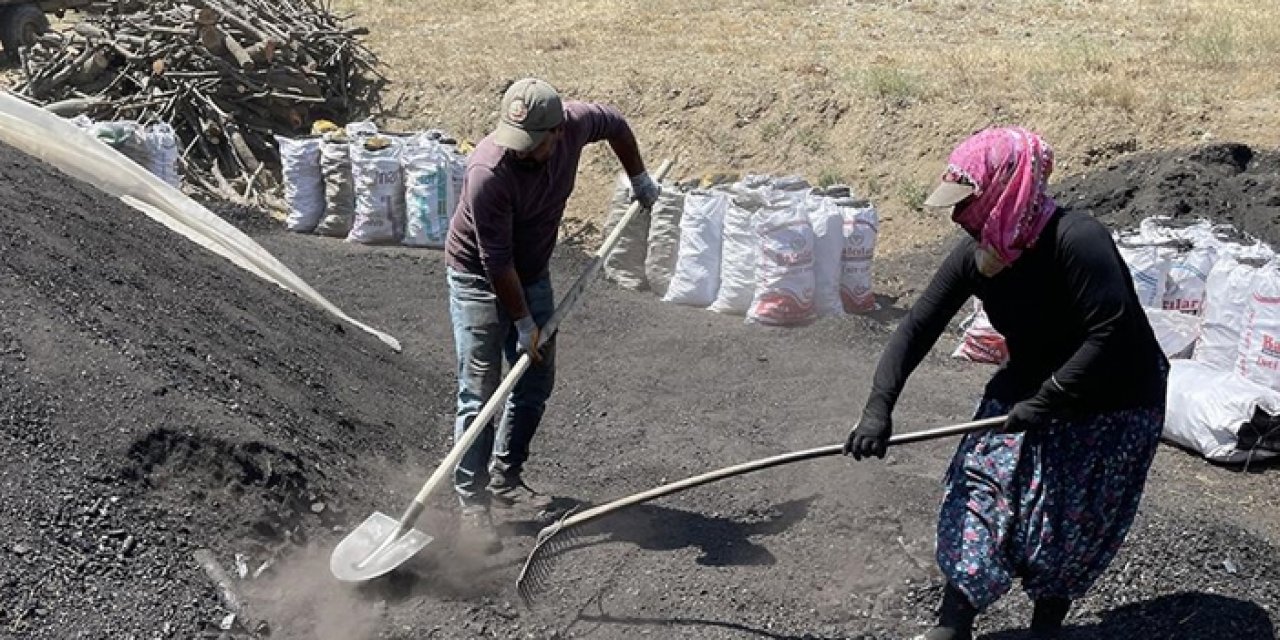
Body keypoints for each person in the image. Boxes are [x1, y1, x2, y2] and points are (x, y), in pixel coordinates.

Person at [843, 127, 1169, 640]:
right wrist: (877, 409)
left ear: (1007, 187)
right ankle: (954, 621)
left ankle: (1045, 625)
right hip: (1030, 380)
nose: (957, 216)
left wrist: (1052, 398)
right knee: (977, 487)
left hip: (1115, 397)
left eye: (966, 202)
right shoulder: (978, 257)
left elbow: (1110, 332)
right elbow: (914, 329)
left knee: (1068, 517)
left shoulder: (1077, 241)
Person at [443, 77, 660, 554]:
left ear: (556, 133)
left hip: (533, 271)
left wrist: (638, 178)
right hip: (479, 278)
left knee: (536, 380)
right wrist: (523, 324)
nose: (520, 151)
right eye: (514, 141)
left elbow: (619, 125)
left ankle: (505, 477)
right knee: (478, 392)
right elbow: (495, 261)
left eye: (531, 144)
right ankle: (472, 504)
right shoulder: (488, 172)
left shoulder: (579, 122)